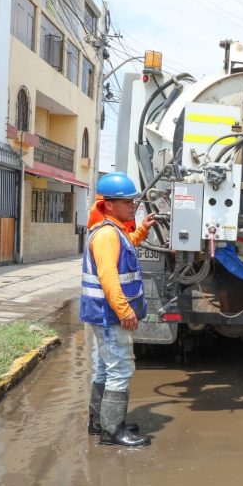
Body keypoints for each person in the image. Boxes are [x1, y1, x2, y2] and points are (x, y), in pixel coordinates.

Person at [81, 172, 155, 447]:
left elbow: (127, 246)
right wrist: (124, 311)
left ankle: (99, 422)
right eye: (127, 202)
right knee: (120, 369)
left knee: (104, 368)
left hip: (103, 313)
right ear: (109, 205)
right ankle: (113, 432)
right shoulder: (107, 235)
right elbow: (109, 278)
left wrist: (142, 230)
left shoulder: (114, 230)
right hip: (109, 315)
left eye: (133, 201)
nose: (133, 205)